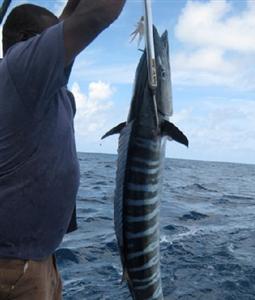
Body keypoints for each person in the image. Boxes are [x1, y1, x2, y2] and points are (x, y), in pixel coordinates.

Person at [0, 0, 126, 299]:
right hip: (14, 269)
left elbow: (69, 15)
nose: (68, 53)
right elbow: (99, 12)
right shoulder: (22, 67)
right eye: (53, 40)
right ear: (26, 40)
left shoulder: (30, 84)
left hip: (34, 260)